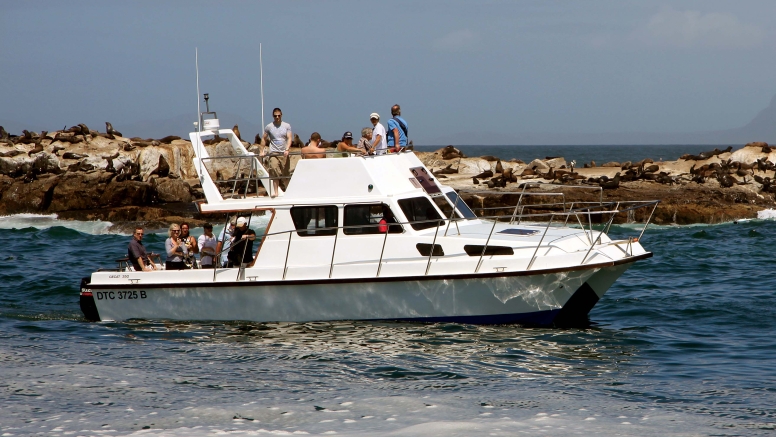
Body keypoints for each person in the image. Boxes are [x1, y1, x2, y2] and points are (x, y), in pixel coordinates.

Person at [260, 108, 292, 194]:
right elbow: (264, 138)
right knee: (274, 171)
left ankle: (288, 192)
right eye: (275, 116)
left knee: (285, 174)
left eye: (278, 115)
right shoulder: (269, 126)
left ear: (281, 115)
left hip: (284, 152)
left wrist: (287, 149)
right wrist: (261, 151)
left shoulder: (286, 126)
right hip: (273, 152)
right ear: (273, 116)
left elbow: (289, 138)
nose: (277, 117)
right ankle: (276, 192)